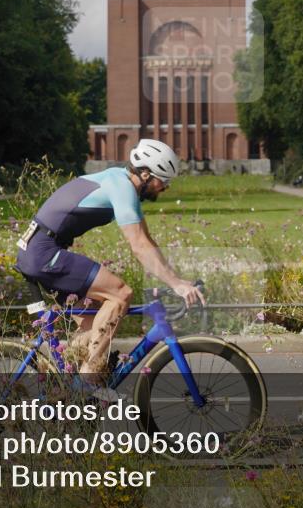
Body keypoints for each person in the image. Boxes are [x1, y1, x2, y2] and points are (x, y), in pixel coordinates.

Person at [15, 139, 205, 388]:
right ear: (145, 174)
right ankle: (88, 383)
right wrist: (177, 286)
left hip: (40, 249)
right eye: (163, 181)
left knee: (94, 327)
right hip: (43, 252)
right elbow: (137, 246)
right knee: (121, 294)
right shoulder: (122, 188)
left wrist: (177, 280)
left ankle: (59, 385)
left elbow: (147, 241)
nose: (164, 188)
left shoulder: (121, 182)